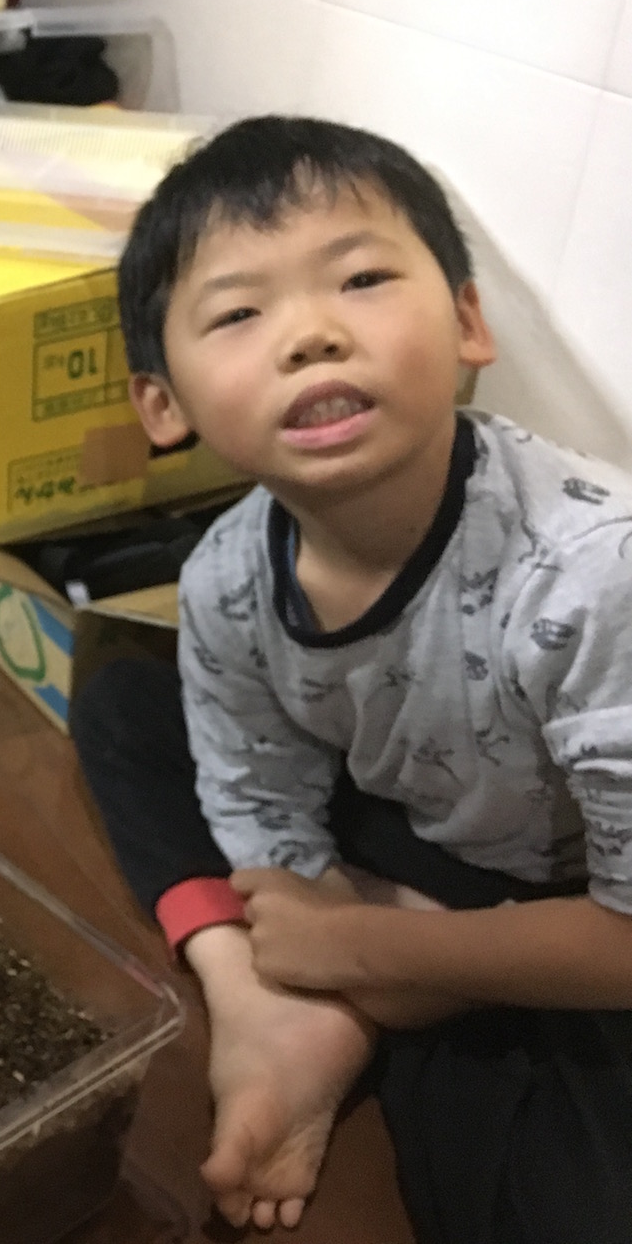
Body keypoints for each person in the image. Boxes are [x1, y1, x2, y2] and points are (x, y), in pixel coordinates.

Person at [72, 116, 632, 1243]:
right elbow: (256, 795)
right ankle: (264, 1002)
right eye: (239, 313)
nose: (312, 334)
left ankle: (362, 991)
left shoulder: (592, 572)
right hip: (413, 826)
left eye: (362, 279)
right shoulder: (227, 572)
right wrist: (309, 903)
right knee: (123, 695)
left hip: (581, 897)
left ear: (466, 322)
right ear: (163, 405)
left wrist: (367, 950)